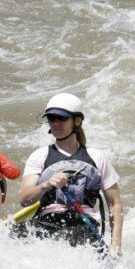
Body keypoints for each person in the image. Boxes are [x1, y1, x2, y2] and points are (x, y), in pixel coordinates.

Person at [18, 93, 124, 254]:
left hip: (82, 224)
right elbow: (24, 199)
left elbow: (114, 203)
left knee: (68, 235)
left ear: (77, 121)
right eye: (51, 118)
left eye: (61, 118)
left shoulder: (97, 157)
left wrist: (115, 245)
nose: (55, 123)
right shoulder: (39, 155)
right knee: (14, 234)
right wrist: (45, 185)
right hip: (47, 221)